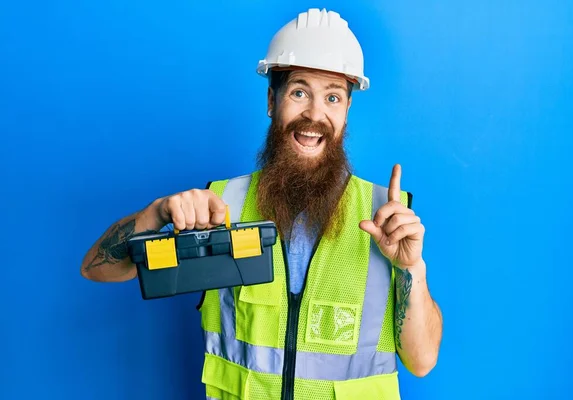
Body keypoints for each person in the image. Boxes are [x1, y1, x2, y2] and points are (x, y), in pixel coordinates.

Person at [81, 8, 442, 400]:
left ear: (347, 110)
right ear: (272, 100)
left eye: (333, 97)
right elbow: (96, 269)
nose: (314, 115)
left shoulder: (385, 218)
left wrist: (410, 268)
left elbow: (422, 361)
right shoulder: (220, 208)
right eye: (299, 92)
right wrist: (156, 214)